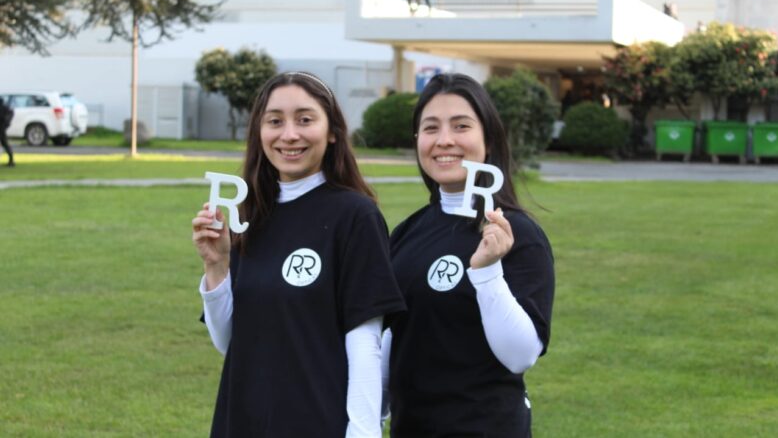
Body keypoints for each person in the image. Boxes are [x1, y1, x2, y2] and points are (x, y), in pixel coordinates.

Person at [192, 71, 406, 437]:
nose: (289, 134)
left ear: (333, 131)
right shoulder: (252, 214)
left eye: (305, 120)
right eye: (275, 121)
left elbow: (365, 343)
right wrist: (217, 266)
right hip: (241, 421)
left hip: (316, 422)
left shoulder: (355, 216)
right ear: (260, 133)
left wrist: (362, 432)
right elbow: (230, 342)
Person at [383, 73, 555, 437]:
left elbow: (521, 355)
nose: (444, 140)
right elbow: (392, 336)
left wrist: (488, 272)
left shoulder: (519, 235)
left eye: (461, 126)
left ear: (487, 139)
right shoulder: (407, 233)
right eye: (430, 128)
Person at [0, 97, 15, 167]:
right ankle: (11, 160)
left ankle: (11, 161)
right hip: (2, 128)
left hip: (1, 128)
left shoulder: (3, 108)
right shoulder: (5, 107)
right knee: (5, 144)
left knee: (5, 144)